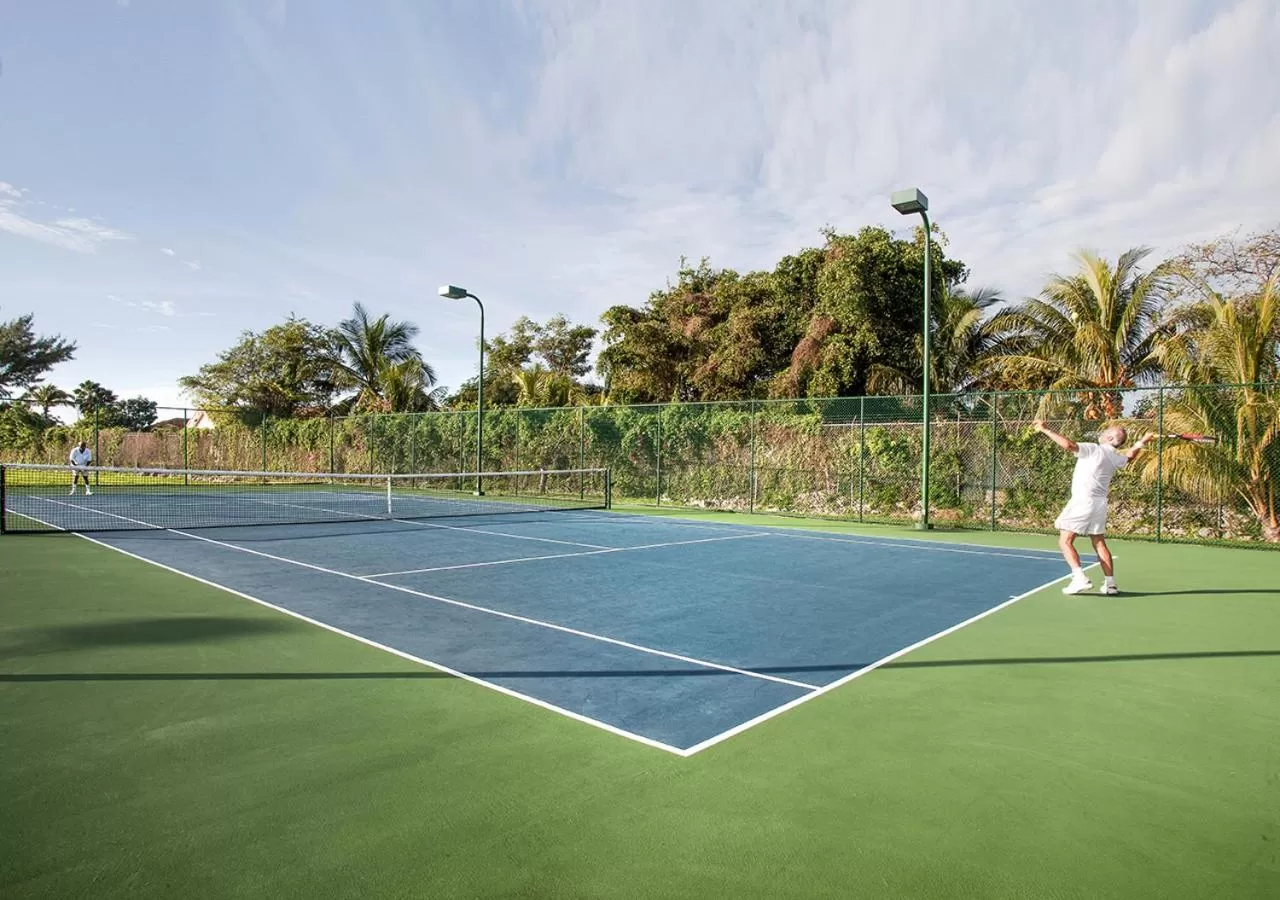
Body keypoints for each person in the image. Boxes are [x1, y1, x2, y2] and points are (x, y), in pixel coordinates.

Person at [1032, 420, 1155, 595]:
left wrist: (1045, 430)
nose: (1101, 433)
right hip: (1100, 503)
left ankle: (1079, 577)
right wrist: (1142, 441)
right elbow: (1130, 456)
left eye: (1106, 432)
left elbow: (1068, 445)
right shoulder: (1115, 457)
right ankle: (1110, 584)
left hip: (1083, 500)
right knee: (1099, 542)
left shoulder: (1093, 449)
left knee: (1065, 541)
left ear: (1110, 437)